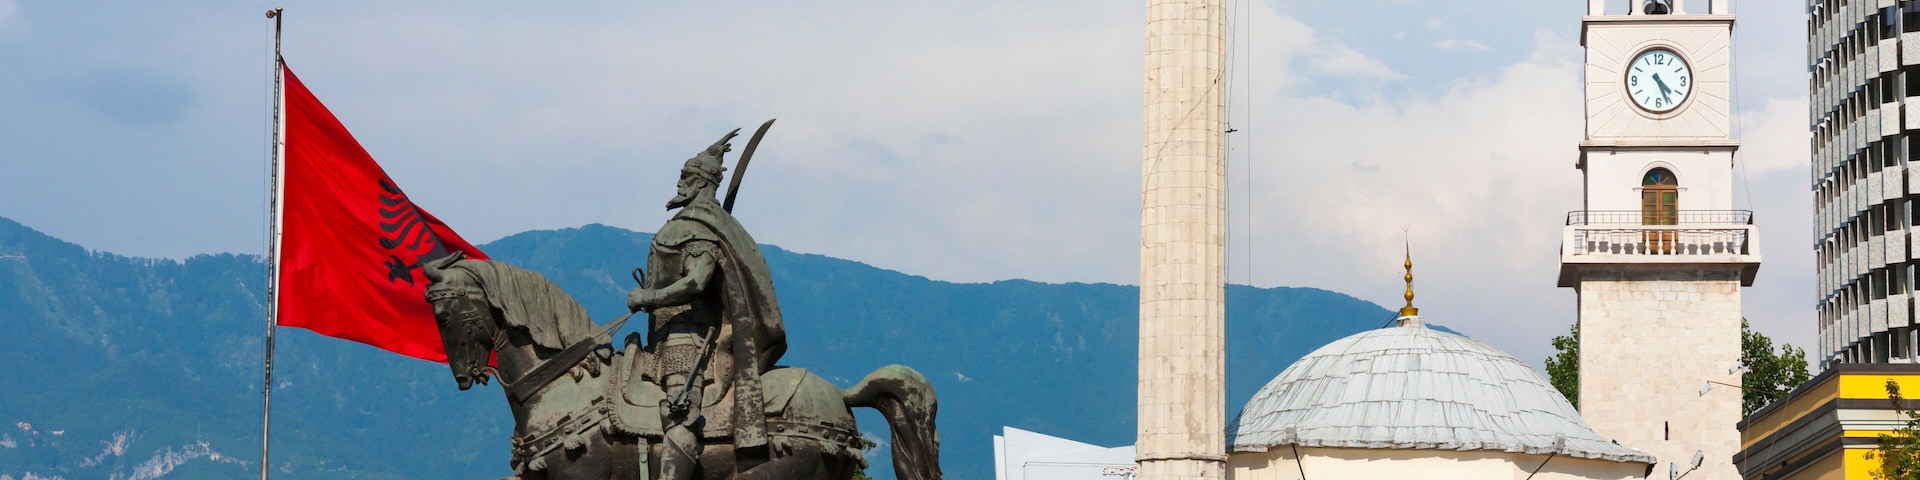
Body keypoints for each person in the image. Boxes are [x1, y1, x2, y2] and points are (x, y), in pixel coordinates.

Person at [626, 129, 787, 479]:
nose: (680, 184)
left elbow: (698, 281)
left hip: (688, 336)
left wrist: (648, 297)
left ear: (700, 182)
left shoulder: (699, 226)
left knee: (679, 415)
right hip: (663, 336)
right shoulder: (698, 222)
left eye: (686, 177)